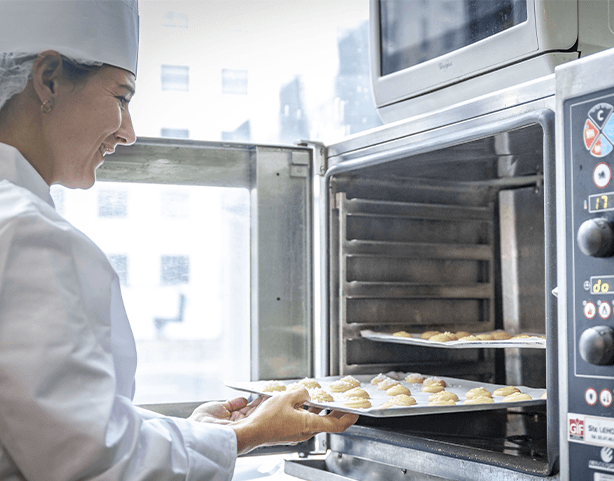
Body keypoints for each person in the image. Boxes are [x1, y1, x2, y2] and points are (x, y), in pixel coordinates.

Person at [0, 1, 357, 480]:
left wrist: (195, 432)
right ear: (49, 81)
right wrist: (245, 435)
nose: (127, 132)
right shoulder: (27, 235)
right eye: (121, 97)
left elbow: (45, 420)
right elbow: (92, 462)